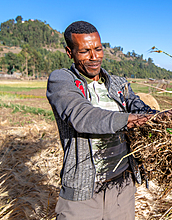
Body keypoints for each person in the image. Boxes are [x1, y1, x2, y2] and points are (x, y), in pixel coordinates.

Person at [46, 21, 156, 220]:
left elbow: (141, 108)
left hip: (122, 189)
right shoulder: (61, 80)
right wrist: (130, 120)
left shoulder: (119, 84)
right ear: (69, 52)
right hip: (83, 193)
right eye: (84, 51)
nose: (94, 57)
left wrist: (170, 117)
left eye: (98, 49)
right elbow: (82, 116)